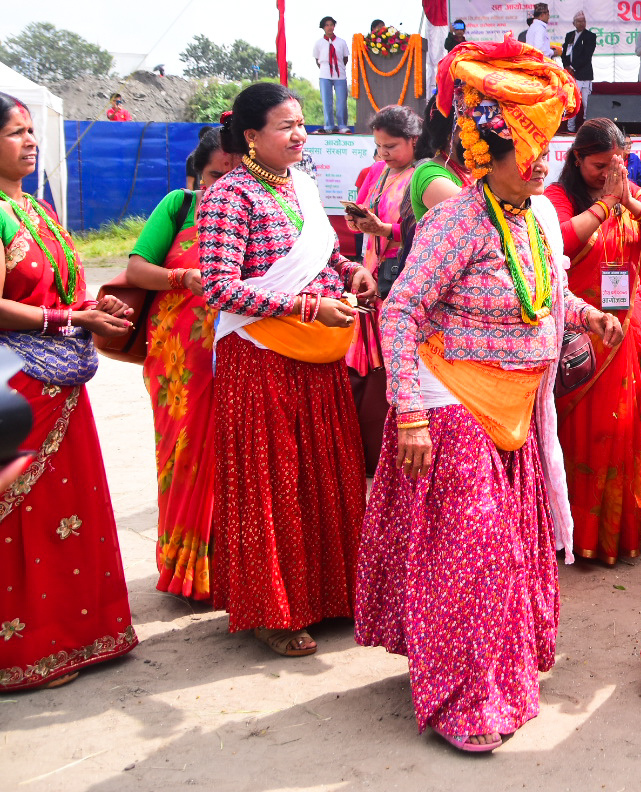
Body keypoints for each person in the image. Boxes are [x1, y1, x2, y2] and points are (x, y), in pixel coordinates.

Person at [355, 36, 618, 752]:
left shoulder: (531, 217)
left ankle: (488, 669)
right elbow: (400, 312)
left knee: (496, 555)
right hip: (452, 409)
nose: (543, 162)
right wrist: (409, 413)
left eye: (546, 147)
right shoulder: (456, 220)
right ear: (489, 151)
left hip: (516, 413)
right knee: (475, 559)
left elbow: (546, 294)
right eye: (530, 150)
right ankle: (465, 700)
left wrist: (590, 316)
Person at [198, 82, 375, 658]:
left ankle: (331, 594)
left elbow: (319, 252)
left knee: (324, 472)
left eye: (302, 123)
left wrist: (350, 272)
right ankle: (275, 611)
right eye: (284, 126)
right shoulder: (230, 194)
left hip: (315, 354)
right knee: (272, 481)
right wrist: (307, 306)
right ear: (251, 136)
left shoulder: (299, 184)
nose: (299, 134)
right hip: (261, 357)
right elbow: (220, 288)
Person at [0, 93, 139, 690]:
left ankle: (82, 635)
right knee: (24, 517)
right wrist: (70, 322)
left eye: (32, 131)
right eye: (16, 132)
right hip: (17, 385)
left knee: (67, 511)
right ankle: (31, 648)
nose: (31, 141)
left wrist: (94, 308)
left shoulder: (36, 208)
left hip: (61, 383)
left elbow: (59, 290)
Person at [544, 118, 641, 563]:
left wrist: (629, 204)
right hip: (580, 335)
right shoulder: (559, 199)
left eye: (618, 164)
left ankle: (618, 534)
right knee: (577, 431)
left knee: (622, 428)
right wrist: (603, 207)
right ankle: (572, 535)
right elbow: (555, 241)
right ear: (576, 159)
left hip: (627, 334)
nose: (609, 174)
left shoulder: (635, 197)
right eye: (599, 166)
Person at [124, 127, 240, 601]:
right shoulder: (180, 205)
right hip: (179, 359)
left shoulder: (252, 210)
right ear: (196, 175)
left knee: (234, 456)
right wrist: (181, 276)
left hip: (236, 350)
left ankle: (234, 566)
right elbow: (137, 269)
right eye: (216, 175)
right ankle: (188, 569)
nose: (225, 186)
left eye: (236, 175)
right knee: (186, 455)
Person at [344, 105, 424, 475]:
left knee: (397, 363)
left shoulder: (423, 177)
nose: (383, 154)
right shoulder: (378, 172)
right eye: (378, 146)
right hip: (375, 274)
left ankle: (396, 448)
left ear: (413, 141)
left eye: (391, 146)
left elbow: (429, 233)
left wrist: (384, 230)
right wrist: (359, 221)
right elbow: (368, 219)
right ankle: (371, 447)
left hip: (404, 279)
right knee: (370, 367)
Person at [407, 107, 467, 226]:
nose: (482, 132)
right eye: (472, 124)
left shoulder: (476, 170)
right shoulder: (429, 174)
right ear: (450, 133)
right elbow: (472, 218)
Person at [313, 16, 352, 133]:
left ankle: (342, 125)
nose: (329, 27)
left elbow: (345, 58)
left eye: (331, 25)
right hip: (325, 75)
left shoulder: (341, 42)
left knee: (341, 101)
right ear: (323, 28)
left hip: (340, 75)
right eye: (327, 25)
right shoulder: (319, 43)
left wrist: (338, 68)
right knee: (327, 101)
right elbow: (317, 60)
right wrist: (326, 69)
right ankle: (329, 125)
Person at [563, 11, 597, 131]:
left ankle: (588, 129)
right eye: (579, 21)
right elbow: (564, 53)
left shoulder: (590, 36)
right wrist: (567, 66)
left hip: (584, 75)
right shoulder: (569, 35)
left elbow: (586, 55)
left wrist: (573, 67)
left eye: (583, 21)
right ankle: (570, 129)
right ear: (574, 23)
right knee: (572, 102)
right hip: (571, 75)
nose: (582, 23)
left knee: (587, 104)